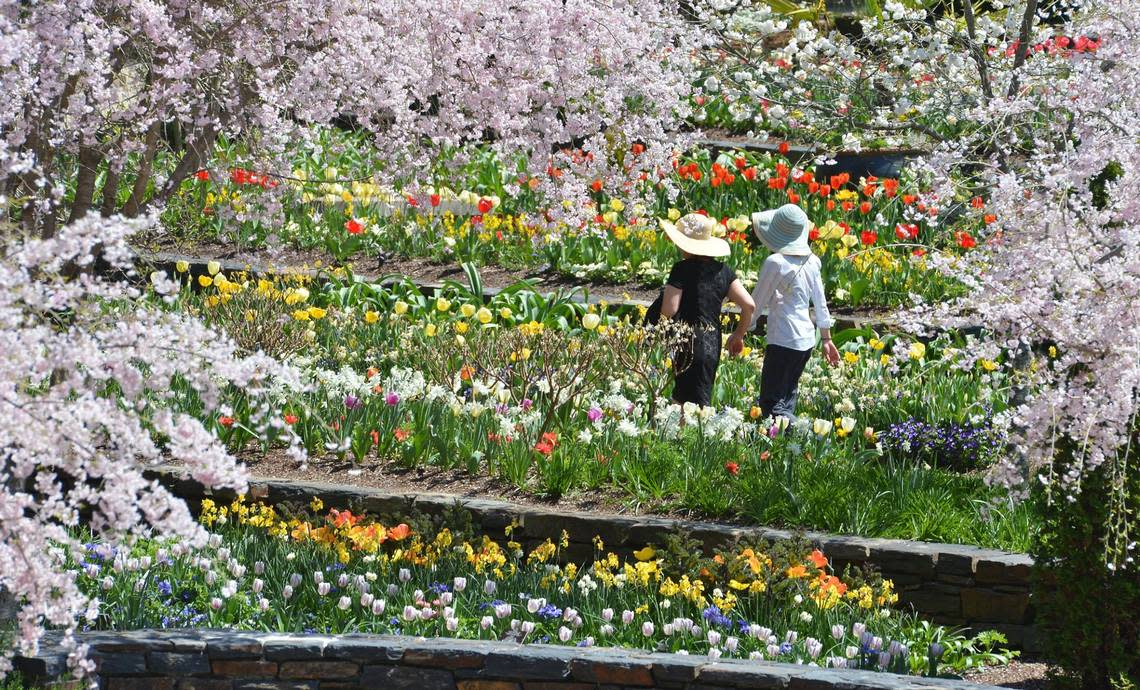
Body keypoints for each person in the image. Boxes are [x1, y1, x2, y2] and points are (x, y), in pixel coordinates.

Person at [749, 203, 840, 421]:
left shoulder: (775, 262)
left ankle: (801, 434)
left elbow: (756, 302)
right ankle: (786, 449)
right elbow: (820, 302)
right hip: (806, 341)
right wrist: (826, 339)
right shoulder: (812, 261)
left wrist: (743, 329)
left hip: (782, 338)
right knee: (787, 396)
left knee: (771, 403)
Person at [658, 213, 756, 407]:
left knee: (684, 402)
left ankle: (681, 436)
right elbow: (749, 305)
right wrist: (738, 335)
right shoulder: (723, 271)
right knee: (701, 398)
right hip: (712, 342)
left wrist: (661, 333)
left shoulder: (681, 269)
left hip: (686, 339)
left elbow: (669, 310)